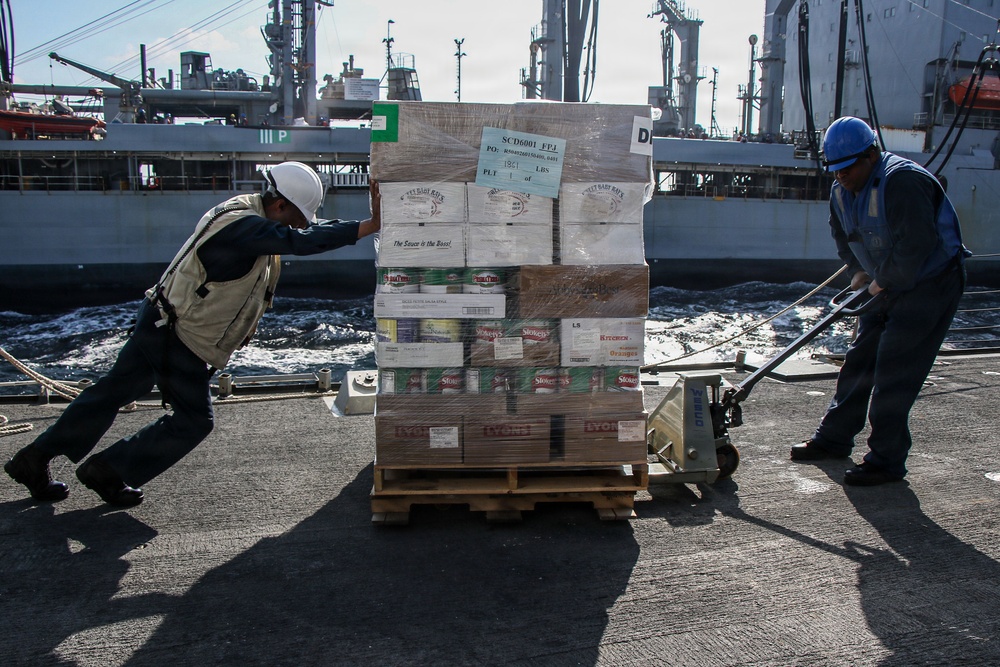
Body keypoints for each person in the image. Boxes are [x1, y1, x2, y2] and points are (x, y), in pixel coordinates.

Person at [5, 161, 381, 506]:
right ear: (280, 205)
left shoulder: (244, 212)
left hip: (161, 320)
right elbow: (303, 242)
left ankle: (33, 460)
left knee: (110, 394)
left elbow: (286, 248)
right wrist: (370, 226)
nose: (300, 226)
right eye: (297, 218)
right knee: (193, 421)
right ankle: (107, 470)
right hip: (176, 334)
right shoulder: (245, 227)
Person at [790, 116, 969, 486]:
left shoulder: (904, 182)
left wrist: (879, 283)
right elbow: (844, 236)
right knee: (858, 360)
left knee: (894, 370)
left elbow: (915, 247)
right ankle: (834, 438)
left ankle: (886, 460)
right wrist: (858, 271)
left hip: (930, 283)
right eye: (835, 171)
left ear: (871, 155)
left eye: (848, 168)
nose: (841, 177)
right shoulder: (841, 190)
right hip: (883, 280)